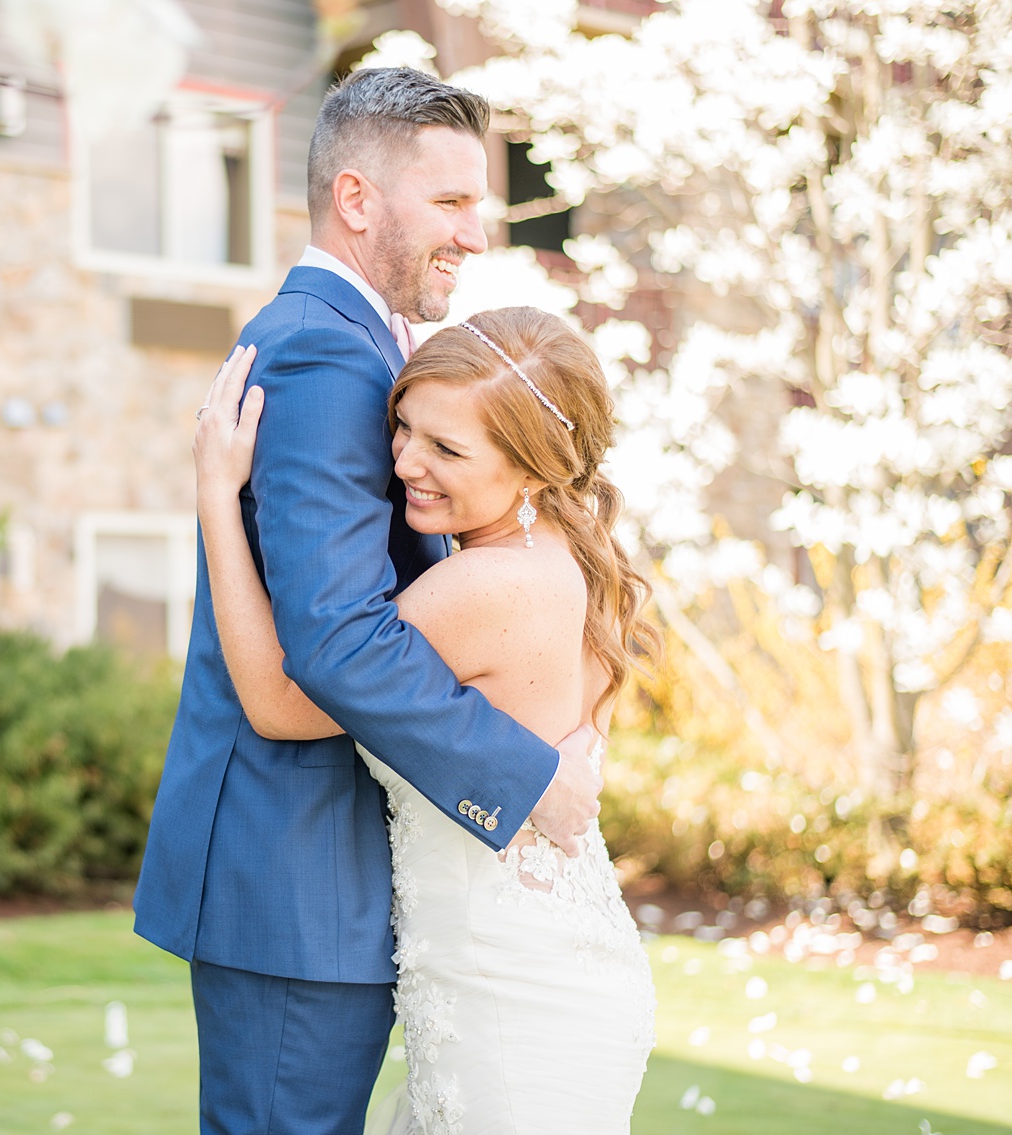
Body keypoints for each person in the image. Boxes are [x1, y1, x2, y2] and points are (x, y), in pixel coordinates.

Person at [131, 68, 604, 1135]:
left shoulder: (365, 346)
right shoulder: (324, 356)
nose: (474, 233)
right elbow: (340, 639)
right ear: (356, 200)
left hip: (332, 881)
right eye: (448, 202)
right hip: (292, 881)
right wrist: (523, 778)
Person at [193, 306, 661, 1133]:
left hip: (507, 1001)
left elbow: (276, 702)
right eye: (404, 426)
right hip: (559, 968)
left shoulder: (483, 587)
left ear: (533, 470)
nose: (405, 461)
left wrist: (217, 502)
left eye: (447, 449)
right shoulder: (581, 562)